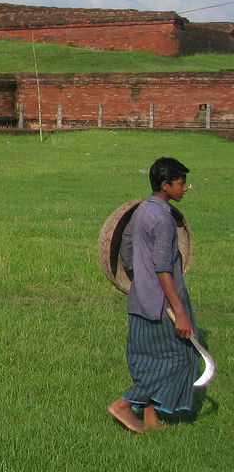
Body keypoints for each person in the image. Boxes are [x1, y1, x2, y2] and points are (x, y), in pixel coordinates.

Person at [108, 157, 198, 433]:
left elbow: (126, 244)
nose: (185, 188)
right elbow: (163, 269)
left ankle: (151, 418)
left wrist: (139, 277)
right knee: (182, 358)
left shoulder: (142, 211)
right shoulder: (164, 219)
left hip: (140, 299)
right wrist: (180, 312)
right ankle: (124, 404)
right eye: (181, 184)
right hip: (162, 305)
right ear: (165, 185)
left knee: (148, 360)